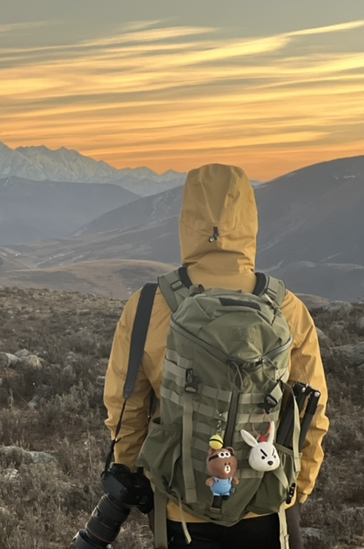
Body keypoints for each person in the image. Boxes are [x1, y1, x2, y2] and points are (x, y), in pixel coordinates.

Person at [103, 163, 329, 549]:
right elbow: (311, 412)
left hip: (178, 503)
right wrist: (297, 488)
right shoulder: (287, 308)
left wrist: (133, 475)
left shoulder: (147, 306)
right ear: (250, 222)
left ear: (186, 223)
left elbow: (126, 408)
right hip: (266, 501)